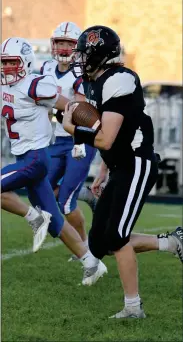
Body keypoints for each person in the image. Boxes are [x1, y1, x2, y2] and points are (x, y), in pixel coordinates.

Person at [62, 25, 183, 317]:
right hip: (119, 165)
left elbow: (105, 137)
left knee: (117, 236)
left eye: (84, 53)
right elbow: (111, 135)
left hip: (137, 163)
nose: (79, 59)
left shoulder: (120, 79)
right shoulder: (96, 82)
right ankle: (173, 243)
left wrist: (73, 130)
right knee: (99, 242)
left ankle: (133, 307)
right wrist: (103, 170)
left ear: (100, 55)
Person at [1, 36, 107, 286]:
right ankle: (92, 263)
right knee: (56, 222)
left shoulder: (36, 85)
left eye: (11, 62)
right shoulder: (4, 86)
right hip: (24, 158)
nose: (7, 68)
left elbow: (70, 106)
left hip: (36, 159)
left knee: (41, 213)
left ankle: (34, 217)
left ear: (25, 62)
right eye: (3, 62)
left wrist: (97, 129)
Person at [40, 22, 97, 260]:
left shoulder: (81, 72)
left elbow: (81, 110)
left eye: (69, 43)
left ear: (77, 47)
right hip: (56, 140)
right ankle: (86, 194)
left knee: (65, 203)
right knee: (43, 193)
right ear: (53, 45)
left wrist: (77, 141)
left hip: (78, 139)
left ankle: (84, 245)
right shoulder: (44, 67)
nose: (64, 48)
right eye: (60, 43)